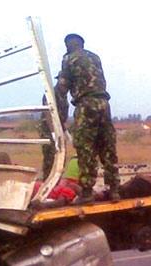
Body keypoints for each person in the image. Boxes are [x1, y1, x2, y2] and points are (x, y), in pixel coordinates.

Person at [54, 33, 120, 204]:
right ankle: (114, 190)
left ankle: (87, 192)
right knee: (107, 147)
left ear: (69, 45)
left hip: (86, 105)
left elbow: (62, 89)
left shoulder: (69, 59)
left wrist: (60, 117)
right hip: (104, 104)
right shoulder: (95, 57)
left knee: (86, 148)